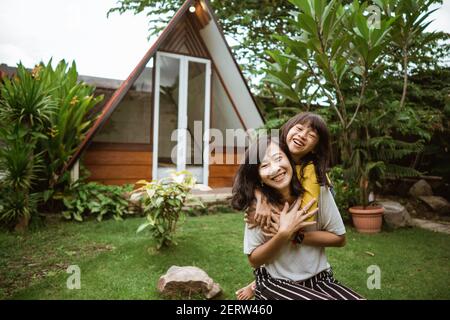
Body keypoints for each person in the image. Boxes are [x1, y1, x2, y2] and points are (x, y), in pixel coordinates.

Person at [232, 133, 364, 300]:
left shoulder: (318, 193)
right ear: (259, 177)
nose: (275, 169)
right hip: (276, 282)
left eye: (278, 158)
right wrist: (282, 234)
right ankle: (257, 285)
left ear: (290, 160)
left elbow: (340, 239)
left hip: (320, 279)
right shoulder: (259, 209)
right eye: (264, 166)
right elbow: (254, 260)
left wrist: (296, 235)